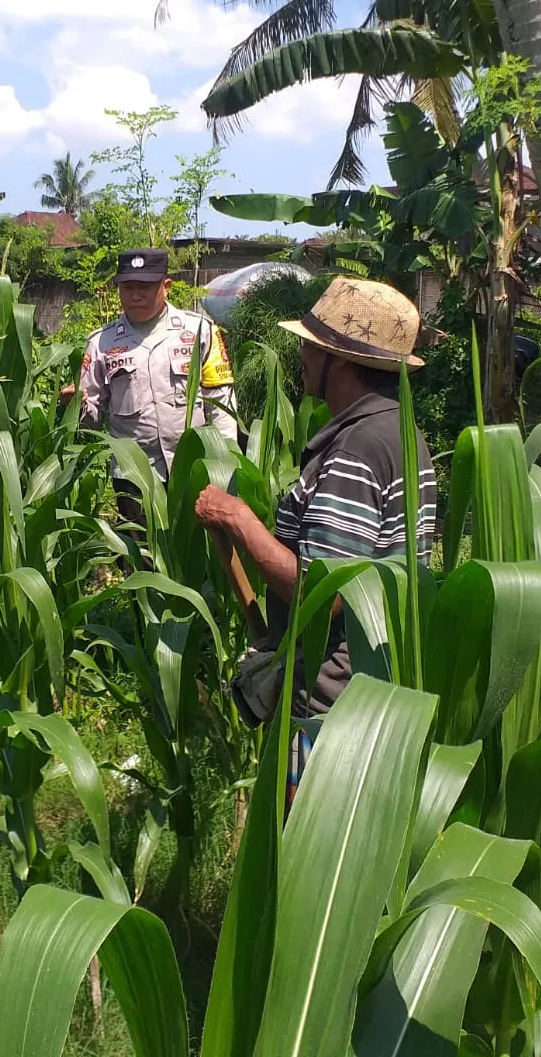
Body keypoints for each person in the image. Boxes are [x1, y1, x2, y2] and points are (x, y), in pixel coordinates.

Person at [191, 276, 437, 801]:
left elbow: (323, 594)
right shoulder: (402, 433)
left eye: (312, 345)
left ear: (343, 362)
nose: (301, 354)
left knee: (303, 854)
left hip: (328, 702)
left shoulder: (358, 449)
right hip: (373, 686)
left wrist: (238, 519)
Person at [62, 247, 238, 526]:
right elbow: (92, 419)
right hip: (134, 473)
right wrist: (77, 406)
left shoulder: (199, 332)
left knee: (196, 557)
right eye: (127, 287)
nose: (135, 295)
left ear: (165, 286)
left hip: (193, 467)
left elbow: (221, 402)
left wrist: (226, 465)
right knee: (141, 560)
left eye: (145, 287)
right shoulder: (101, 343)